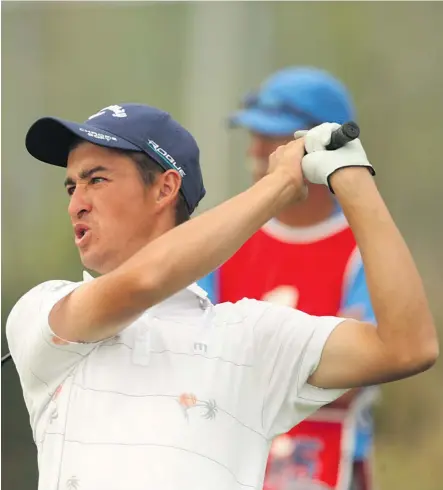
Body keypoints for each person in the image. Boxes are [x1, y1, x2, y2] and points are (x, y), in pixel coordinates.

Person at [6, 103, 438, 490]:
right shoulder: (42, 309)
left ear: (165, 188)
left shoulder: (249, 334)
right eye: (70, 187)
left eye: (95, 180)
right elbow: (143, 282)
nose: (75, 204)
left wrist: (351, 176)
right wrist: (279, 186)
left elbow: (407, 347)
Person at [198, 67, 378, 490]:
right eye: (254, 136)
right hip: (227, 463)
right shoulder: (223, 237)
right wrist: (315, 354)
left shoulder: (364, 246)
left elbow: (355, 373)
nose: (258, 151)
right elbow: (199, 358)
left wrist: (242, 360)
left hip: (330, 467)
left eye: (275, 138)